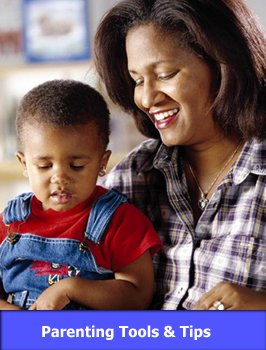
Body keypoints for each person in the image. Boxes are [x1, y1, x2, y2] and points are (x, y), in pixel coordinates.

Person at [93, 0, 266, 310]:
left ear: (224, 66)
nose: (147, 98)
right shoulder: (133, 176)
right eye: (138, 80)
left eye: (166, 74)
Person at [0, 79, 162, 310]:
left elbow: (137, 295)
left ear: (101, 163)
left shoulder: (119, 221)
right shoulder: (10, 221)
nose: (60, 178)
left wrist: (70, 288)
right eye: (45, 166)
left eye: (76, 165)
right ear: (24, 164)